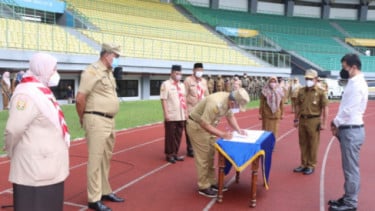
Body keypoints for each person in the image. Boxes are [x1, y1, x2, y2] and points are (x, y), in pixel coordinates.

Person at [4, 52, 70, 211]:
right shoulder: (26, 94)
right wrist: (11, 150)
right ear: (42, 69)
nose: (56, 73)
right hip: (35, 169)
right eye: (53, 69)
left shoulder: (41, 90)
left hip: (47, 167)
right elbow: (14, 129)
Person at [75, 43, 124, 211]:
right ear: (107, 55)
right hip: (96, 119)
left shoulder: (109, 73)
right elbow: (80, 98)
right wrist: (83, 119)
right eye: (115, 56)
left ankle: (104, 190)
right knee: (95, 160)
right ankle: (93, 198)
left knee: (105, 159)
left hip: (109, 120)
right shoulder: (92, 71)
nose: (116, 60)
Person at [186, 88, 249, 198]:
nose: (238, 109)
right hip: (197, 126)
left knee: (210, 154)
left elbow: (230, 116)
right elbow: (204, 124)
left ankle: (211, 181)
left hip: (209, 126)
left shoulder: (229, 100)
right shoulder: (215, 103)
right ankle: (204, 186)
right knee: (203, 157)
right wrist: (222, 134)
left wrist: (238, 130)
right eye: (238, 106)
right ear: (233, 102)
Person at [328, 54, 368, 211]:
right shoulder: (353, 82)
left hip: (351, 130)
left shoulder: (357, 84)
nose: (343, 70)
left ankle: (351, 203)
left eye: (345, 67)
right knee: (348, 167)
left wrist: (335, 122)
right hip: (349, 129)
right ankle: (347, 197)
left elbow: (349, 109)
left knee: (351, 168)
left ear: (354, 67)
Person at [293, 69, 328, 175]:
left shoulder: (321, 92)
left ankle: (311, 165)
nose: (308, 80)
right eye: (307, 79)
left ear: (316, 79)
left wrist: (324, 123)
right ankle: (303, 164)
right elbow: (298, 106)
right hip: (303, 119)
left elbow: (325, 108)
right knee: (303, 143)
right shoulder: (301, 91)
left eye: (310, 79)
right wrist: (296, 119)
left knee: (313, 144)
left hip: (314, 120)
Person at [160, 65, 187, 163]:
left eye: (180, 73)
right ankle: (169, 154)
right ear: (171, 73)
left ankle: (175, 153)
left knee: (178, 135)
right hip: (171, 115)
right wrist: (166, 113)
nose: (178, 75)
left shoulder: (182, 85)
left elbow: (184, 99)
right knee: (170, 136)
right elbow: (163, 99)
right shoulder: (166, 84)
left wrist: (186, 112)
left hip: (181, 115)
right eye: (176, 73)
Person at [184, 63, 209, 157]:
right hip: (192, 109)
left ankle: (198, 147)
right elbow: (184, 95)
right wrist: (185, 110)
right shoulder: (188, 80)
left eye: (201, 70)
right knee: (191, 129)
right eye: (198, 70)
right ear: (193, 70)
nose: (200, 72)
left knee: (201, 129)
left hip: (202, 110)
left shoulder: (204, 81)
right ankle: (190, 149)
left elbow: (207, 95)